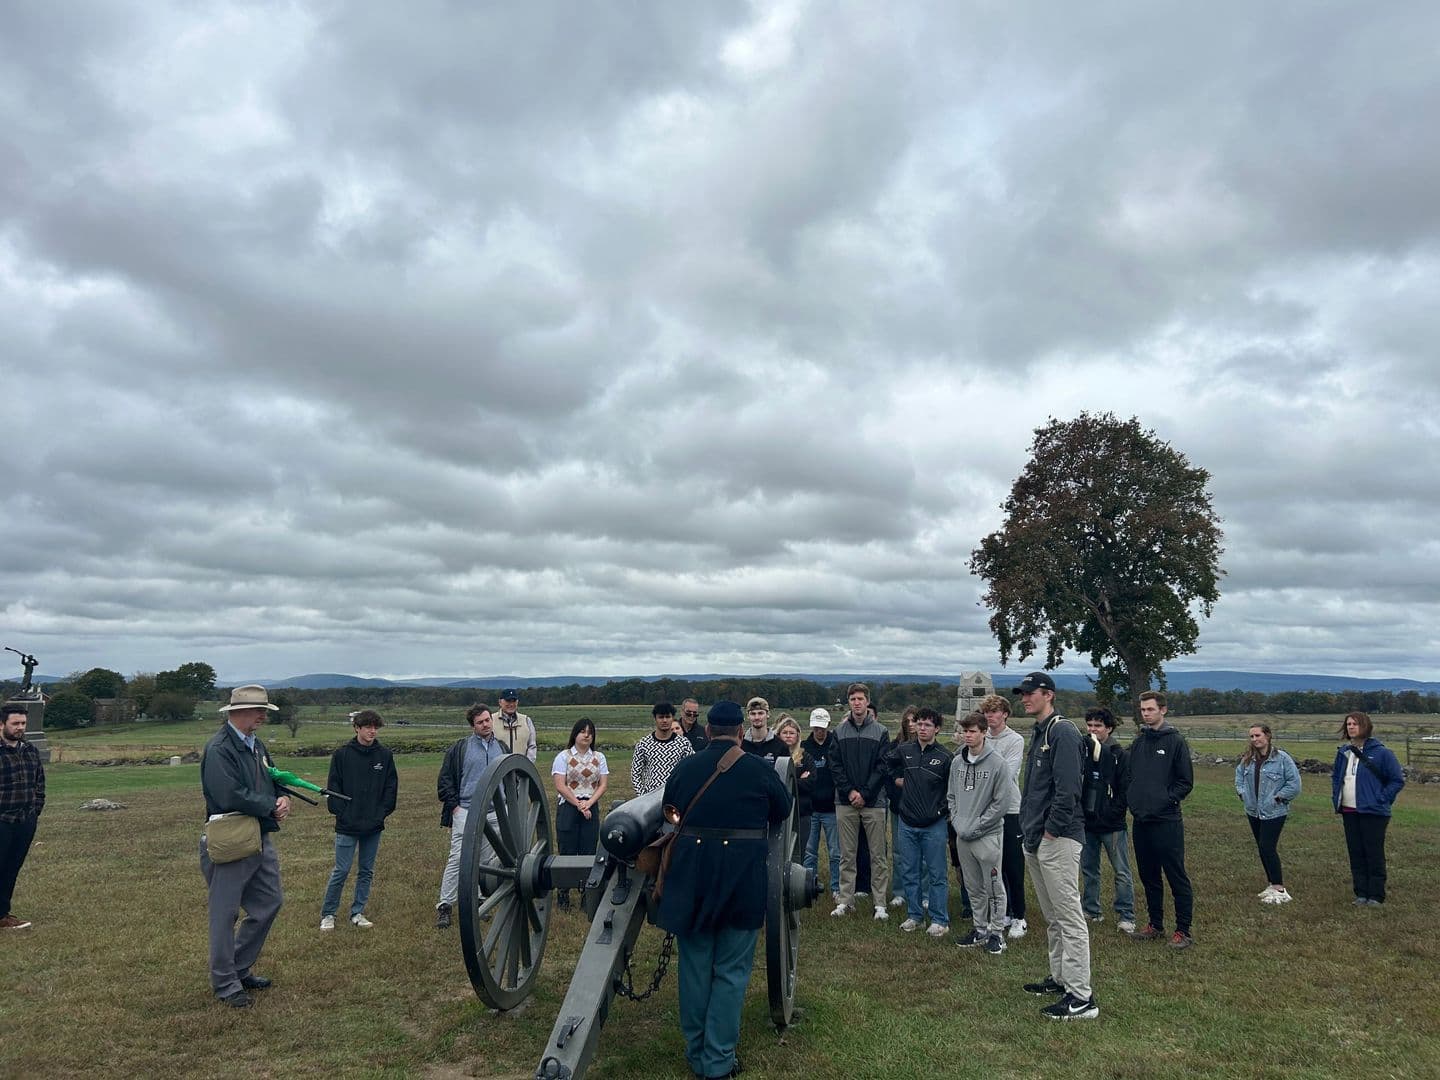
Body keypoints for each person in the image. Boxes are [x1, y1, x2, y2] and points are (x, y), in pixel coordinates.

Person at [656, 701, 791, 1080]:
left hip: (692, 880)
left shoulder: (685, 767)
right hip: (741, 880)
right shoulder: (757, 770)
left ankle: (697, 1051)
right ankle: (717, 1061)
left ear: (709, 731)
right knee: (731, 971)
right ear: (741, 733)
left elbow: (670, 810)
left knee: (695, 968)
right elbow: (781, 811)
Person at [199, 685, 290, 1008]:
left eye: (264, 710)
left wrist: (282, 796)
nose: (263, 716)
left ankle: (239, 967)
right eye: (257, 710)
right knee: (224, 914)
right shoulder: (219, 748)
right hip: (230, 839)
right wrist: (269, 805)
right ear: (236, 713)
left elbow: (273, 777)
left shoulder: (257, 745)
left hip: (257, 835)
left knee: (270, 901)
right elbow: (228, 794)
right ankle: (225, 983)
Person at [1014, 672, 1097, 1021]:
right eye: (1022, 694)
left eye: (1030, 693)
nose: (1024, 698)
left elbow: (1067, 791)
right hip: (1036, 837)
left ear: (1049, 694)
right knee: (1052, 916)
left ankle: (1081, 997)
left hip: (1057, 839)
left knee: (1069, 917)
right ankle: (1060, 977)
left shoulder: (1061, 731)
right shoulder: (1040, 731)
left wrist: (1050, 833)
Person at [319, 710, 398, 931]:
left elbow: (391, 789)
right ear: (357, 728)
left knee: (366, 870)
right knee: (341, 870)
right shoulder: (342, 754)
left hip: (373, 824)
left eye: (375, 727)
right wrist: (342, 812)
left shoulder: (384, 755)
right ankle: (328, 913)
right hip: (347, 824)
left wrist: (381, 813)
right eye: (367, 727)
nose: (372, 731)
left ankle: (358, 911)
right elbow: (333, 788)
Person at [1127, 691, 1195, 948]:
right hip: (1141, 820)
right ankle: (1155, 924)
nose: (1146, 714)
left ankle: (1183, 930)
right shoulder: (1140, 741)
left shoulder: (1175, 741)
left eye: (1150, 709)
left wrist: (1164, 799)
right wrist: (1134, 799)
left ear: (1163, 710)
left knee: (1175, 875)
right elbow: (1130, 775)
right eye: (1143, 710)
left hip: (1166, 820)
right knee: (1149, 875)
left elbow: (1185, 781)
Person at [435, 704, 510, 929]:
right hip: (466, 810)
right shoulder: (460, 749)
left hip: (495, 812)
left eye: (488, 720)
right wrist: (455, 808)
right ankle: (445, 905)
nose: (486, 724)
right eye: (480, 722)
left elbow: (511, 778)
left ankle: (477, 900)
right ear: (472, 726)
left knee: (484, 861)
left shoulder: (502, 747)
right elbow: (445, 780)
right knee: (458, 858)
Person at [948, 711, 1016, 952]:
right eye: (965, 731)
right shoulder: (957, 762)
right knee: (973, 886)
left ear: (983, 732)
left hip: (987, 836)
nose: (967, 735)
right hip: (963, 835)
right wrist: (957, 822)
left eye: (972, 731)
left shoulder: (998, 763)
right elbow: (952, 796)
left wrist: (978, 826)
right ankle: (980, 929)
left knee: (994, 886)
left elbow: (1001, 803)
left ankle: (997, 933)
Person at [888, 706, 953, 937]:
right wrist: (897, 780)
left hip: (933, 824)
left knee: (936, 873)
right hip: (907, 822)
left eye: (927, 725)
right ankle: (914, 915)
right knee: (909, 871)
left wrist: (941, 811)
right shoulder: (904, 750)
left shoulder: (945, 757)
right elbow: (886, 765)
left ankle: (939, 919)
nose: (922, 728)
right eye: (919, 724)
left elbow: (951, 790)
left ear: (937, 728)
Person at [830, 682, 891, 921]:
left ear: (867, 702)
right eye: (853, 699)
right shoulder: (839, 732)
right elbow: (835, 766)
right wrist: (850, 792)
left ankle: (879, 903)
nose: (857, 703)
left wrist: (864, 793)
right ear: (849, 702)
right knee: (847, 854)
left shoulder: (881, 731)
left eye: (860, 699)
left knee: (878, 855)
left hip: (873, 802)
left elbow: (882, 766)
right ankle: (846, 900)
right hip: (845, 802)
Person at [1331, 711, 1405, 906]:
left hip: (1373, 811)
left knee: (1373, 852)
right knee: (1356, 852)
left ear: (1365, 726)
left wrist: (1382, 799)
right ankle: (1361, 893)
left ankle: (1376, 895)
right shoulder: (1343, 752)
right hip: (1349, 810)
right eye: (1348, 724)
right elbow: (1337, 777)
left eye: (1355, 723)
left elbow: (1396, 780)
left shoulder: (1382, 753)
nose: (1351, 727)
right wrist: (1336, 797)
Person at [1080, 708, 1135, 932]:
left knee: (1121, 871)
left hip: (1112, 824)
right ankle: (1091, 910)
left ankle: (1126, 914)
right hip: (1087, 822)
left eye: (1098, 726)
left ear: (1109, 728)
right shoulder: (1083, 751)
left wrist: (1114, 812)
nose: (1093, 730)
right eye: (1090, 725)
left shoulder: (1118, 755)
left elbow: (1125, 789)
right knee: (1089, 869)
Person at [1235, 723, 1302, 904]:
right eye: (1252, 736)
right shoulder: (1248, 759)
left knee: (1267, 846)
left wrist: (1278, 798)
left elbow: (1294, 784)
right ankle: (1271, 883)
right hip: (1253, 810)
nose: (1255, 739)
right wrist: (1242, 793)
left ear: (1268, 736)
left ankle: (1279, 888)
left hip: (1274, 811)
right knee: (1261, 847)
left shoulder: (1282, 759)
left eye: (1258, 735)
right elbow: (1239, 776)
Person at [982, 694, 1028, 939]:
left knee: (1013, 865)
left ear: (1005, 714)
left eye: (995, 712)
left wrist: (983, 776)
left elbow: (1007, 774)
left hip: (1010, 810)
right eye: (987, 712)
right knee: (993, 866)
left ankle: (1020, 916)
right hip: (985, 810)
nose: (990, 716)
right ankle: (1004, 911)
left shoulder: (1015, 740)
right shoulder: (981, 738)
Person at [551, 716, 609, 908]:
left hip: (590, 804)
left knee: (588, 849)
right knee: (567, 849)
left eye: (590, 732)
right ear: (575, 734)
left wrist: (589, 803)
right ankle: (563, 892)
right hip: (568, 805)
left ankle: (587, 893)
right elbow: (560, 785)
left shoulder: (599, 757)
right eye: (583, 731)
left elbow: (602, 785)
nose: (587, 735)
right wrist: (578, 804)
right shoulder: (563, 756)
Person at [0, 704, 44, 931]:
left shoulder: (30, 751)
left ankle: (2, 914)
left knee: (11, 868)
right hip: (2, 820)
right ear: (2, 724)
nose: (20, 728)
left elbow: (39, 784)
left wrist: (35, 811)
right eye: (15, 723)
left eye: (23, 724)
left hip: (25, 821)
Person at [801, 708, 842, 899]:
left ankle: (836, 887)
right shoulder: (804, 747)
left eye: (822, 727)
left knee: (835, 852)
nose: (819, 731)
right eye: (816, 727)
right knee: (810, 852)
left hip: (832, 807)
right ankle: (809, 886)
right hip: (811, 807)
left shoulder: (836, 744)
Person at [886, 706, 919, 908]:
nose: (912, 725)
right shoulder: (895, 746)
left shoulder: (927, 747)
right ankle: (899, 892)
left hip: (923, 809)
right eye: (908, 721)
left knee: (921, 855)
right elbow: (889, 774)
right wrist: (898, 784)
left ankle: (923, 894)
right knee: (899, 853)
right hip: (899, 806)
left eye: (915, 720)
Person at [631, 702, 695, 795]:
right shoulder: (643, 744)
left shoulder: (683, 743)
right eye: (661, 717)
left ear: (672, 718)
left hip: (676, 796)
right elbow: (635, 773)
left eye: (668, 717)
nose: (664, 720)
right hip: (650, 798)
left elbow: (691, 770)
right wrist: (642, 795)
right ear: (655, 719)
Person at [774, 715, 811, 860]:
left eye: (791, 733)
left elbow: (811, 782)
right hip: (779, 812)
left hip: (801, 812)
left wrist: (789, 782)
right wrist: (798, 780)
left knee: (800, 853)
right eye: (785, 733)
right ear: (779, 735)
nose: (788, 736)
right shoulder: (774, 755)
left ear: (797, 736)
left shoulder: (805, 757)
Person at [495, 690, 538, 761]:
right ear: (500, 702)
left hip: (522, 768)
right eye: (508, 701)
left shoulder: (526, 720)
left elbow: (532, 746)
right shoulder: (490, 720)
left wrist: (527, 765)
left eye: (514, 701)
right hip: (498, 769)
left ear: (517, 702)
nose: (511, 704)